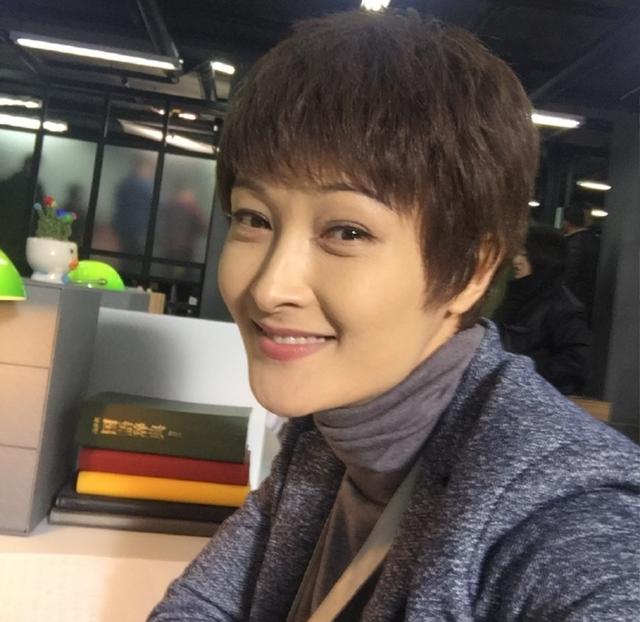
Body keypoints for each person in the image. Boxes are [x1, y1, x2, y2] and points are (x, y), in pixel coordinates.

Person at [149, 10, 639, 622]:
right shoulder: (330, 438)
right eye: (255, 218)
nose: (271, 287)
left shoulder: (561, 511)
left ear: (471, 269)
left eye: (347, 231)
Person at [493, 226, 592, 395]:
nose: (517, 261)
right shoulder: (517, 296)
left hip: (532, 397)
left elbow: (577, 362)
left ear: (543, 258)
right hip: (504, 392)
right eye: (518, 253)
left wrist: (523, 372)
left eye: (525, 254)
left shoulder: (563, 306)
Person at [562, 202, 601, 323]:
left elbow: (569, 274)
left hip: (573, 299)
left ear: (567, 223)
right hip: (588, 299)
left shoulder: (574, 243)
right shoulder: (595, 241)